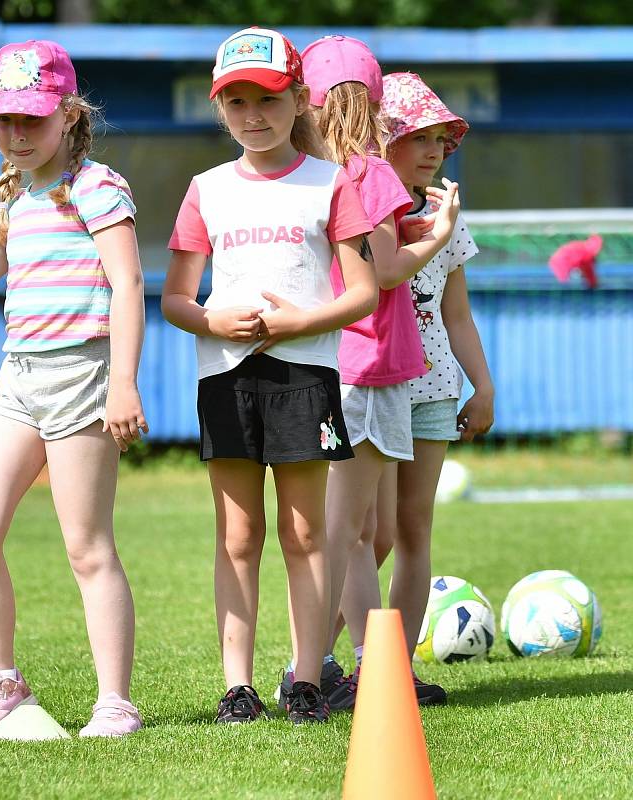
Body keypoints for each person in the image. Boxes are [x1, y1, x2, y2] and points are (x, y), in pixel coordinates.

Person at [161, 26, 378, 724]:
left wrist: (297, 323)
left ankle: (306, 680)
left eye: (269, 99)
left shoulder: (331, 182)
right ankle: (237, 686)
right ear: (219, 108)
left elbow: (362, 293)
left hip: (304, 377)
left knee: (306, 534)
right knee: (237, 535)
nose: (253, 115)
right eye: (237, 102)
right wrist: (209, 322)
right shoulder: (206, 189)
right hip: (225, 378)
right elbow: (173, 297)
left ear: (299, 100)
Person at [0, 39, 148, 738]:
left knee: (87, 546)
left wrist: (122, 382)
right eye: (5, 122)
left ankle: (114, 702)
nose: (18, 135)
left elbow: (128, 284)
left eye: (32, 120)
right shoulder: (12, 196)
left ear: (68, 115)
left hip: (82, 375)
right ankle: (0, 682)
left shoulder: (98, 187)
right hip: (18, 379)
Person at [271, 36, 461, 712]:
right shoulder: (369, 172)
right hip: (370, 366)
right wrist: (436, 235)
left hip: (323, 364)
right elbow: (382, 273)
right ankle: (347, 670)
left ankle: (327, 666)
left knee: (343, 533)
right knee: (348, 533)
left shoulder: (309, 174)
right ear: (374, 104)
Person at [337, 71, 495, 705]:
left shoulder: (446, 215)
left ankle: (392, 673)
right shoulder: (361, 204)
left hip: (432, 386)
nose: (433, 152)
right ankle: (321, 660)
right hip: (376, 381)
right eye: (417, 138)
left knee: (413, 529)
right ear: (382, 139)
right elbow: (384, 280)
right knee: (364, 533)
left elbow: (456, 314)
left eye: (441, 141)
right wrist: (431, 232)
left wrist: (480, 385)